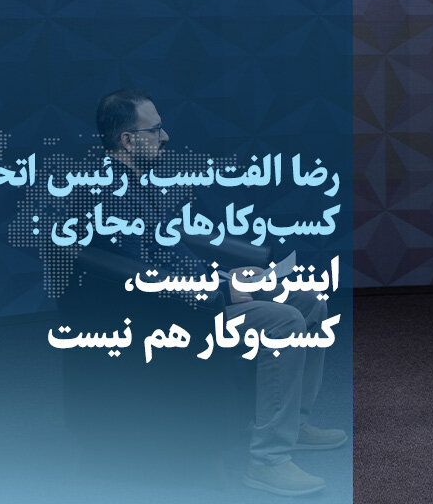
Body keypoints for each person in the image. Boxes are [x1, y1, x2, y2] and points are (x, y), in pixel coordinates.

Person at [92, 88, 346, 495]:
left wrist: (229, 275)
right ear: (127, 140)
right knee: (285, 320)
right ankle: (268, 460)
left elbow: (171, 252)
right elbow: (143, 277)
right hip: (179, 311)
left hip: (206, 290)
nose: (165, 137)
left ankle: (292, 425)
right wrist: (222, 292)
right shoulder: (109, 195)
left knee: (309, 301)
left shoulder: (137, 183)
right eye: (154, 130)